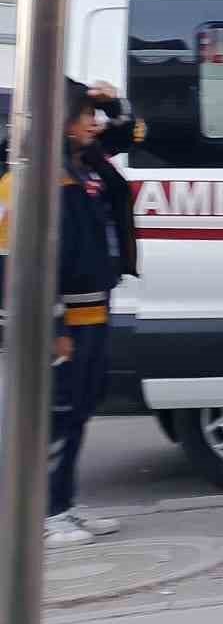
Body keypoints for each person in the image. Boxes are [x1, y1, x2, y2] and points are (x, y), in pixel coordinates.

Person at [0, 80, 131, 548]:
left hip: (94, 310)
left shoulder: (83, 164)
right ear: (58, 121)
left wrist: (110, 103)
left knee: (78, 411)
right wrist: (53, 325)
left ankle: (66, 504)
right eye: (83, 114)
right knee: (56, 415)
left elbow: (129, 133)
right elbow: (27, 264)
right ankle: (45, 513)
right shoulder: (34, 179)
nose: (93, 123)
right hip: (65, 319)